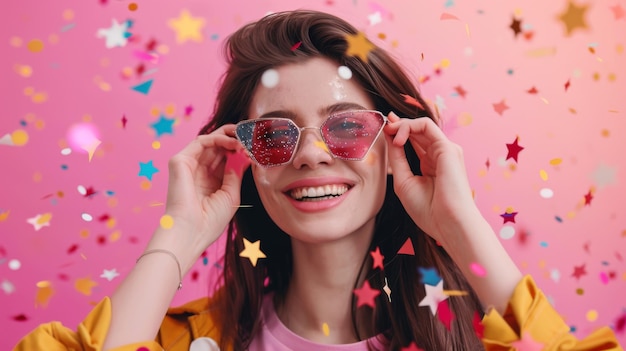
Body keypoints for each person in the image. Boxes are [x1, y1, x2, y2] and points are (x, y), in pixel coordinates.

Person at [14, 10, 623, 351]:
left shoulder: (477, 340)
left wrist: (461, 229)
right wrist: (176, 238)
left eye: (347, 128)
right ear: (243, 158)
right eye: (274, 135)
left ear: (395, 143)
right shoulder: (186, 340)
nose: (308, 156)